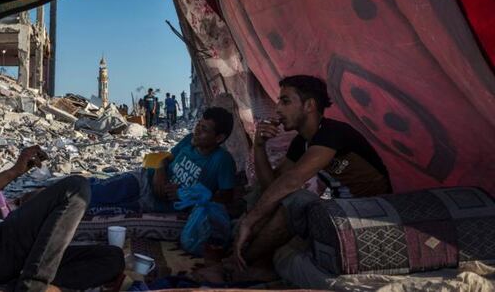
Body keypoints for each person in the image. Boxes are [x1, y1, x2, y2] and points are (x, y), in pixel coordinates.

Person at [0, 102, 124, 292]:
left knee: (112, 258)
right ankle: (33, 287)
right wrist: (14, 171)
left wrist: (24, 202)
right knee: (76, 187)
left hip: (3, 250)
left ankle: (10, 287)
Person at [230, 75, 391, 277]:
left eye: (285, 101)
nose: (278, 108)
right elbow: (271, 184)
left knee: (297, 200)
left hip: (371, 213)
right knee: (262, 195)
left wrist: (249, 221)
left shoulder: (333, 133)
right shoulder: (301, 142)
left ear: (309, 105)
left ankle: (237, 265)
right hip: (341, 210)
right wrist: (259, 146)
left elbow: (292, 181)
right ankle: (250, 259)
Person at [88, 107, 237, 214]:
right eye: (198, 124)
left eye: (204, 129)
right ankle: (72, 187)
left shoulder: (222, 160)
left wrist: (185, 194)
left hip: (155, 204)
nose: (197, 131)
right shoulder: (188, 141)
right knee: (97, 192)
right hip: (145, 181)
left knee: (97, 209)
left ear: (219, 138)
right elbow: (165, 158)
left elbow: (226, 199)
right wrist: (160, 170)